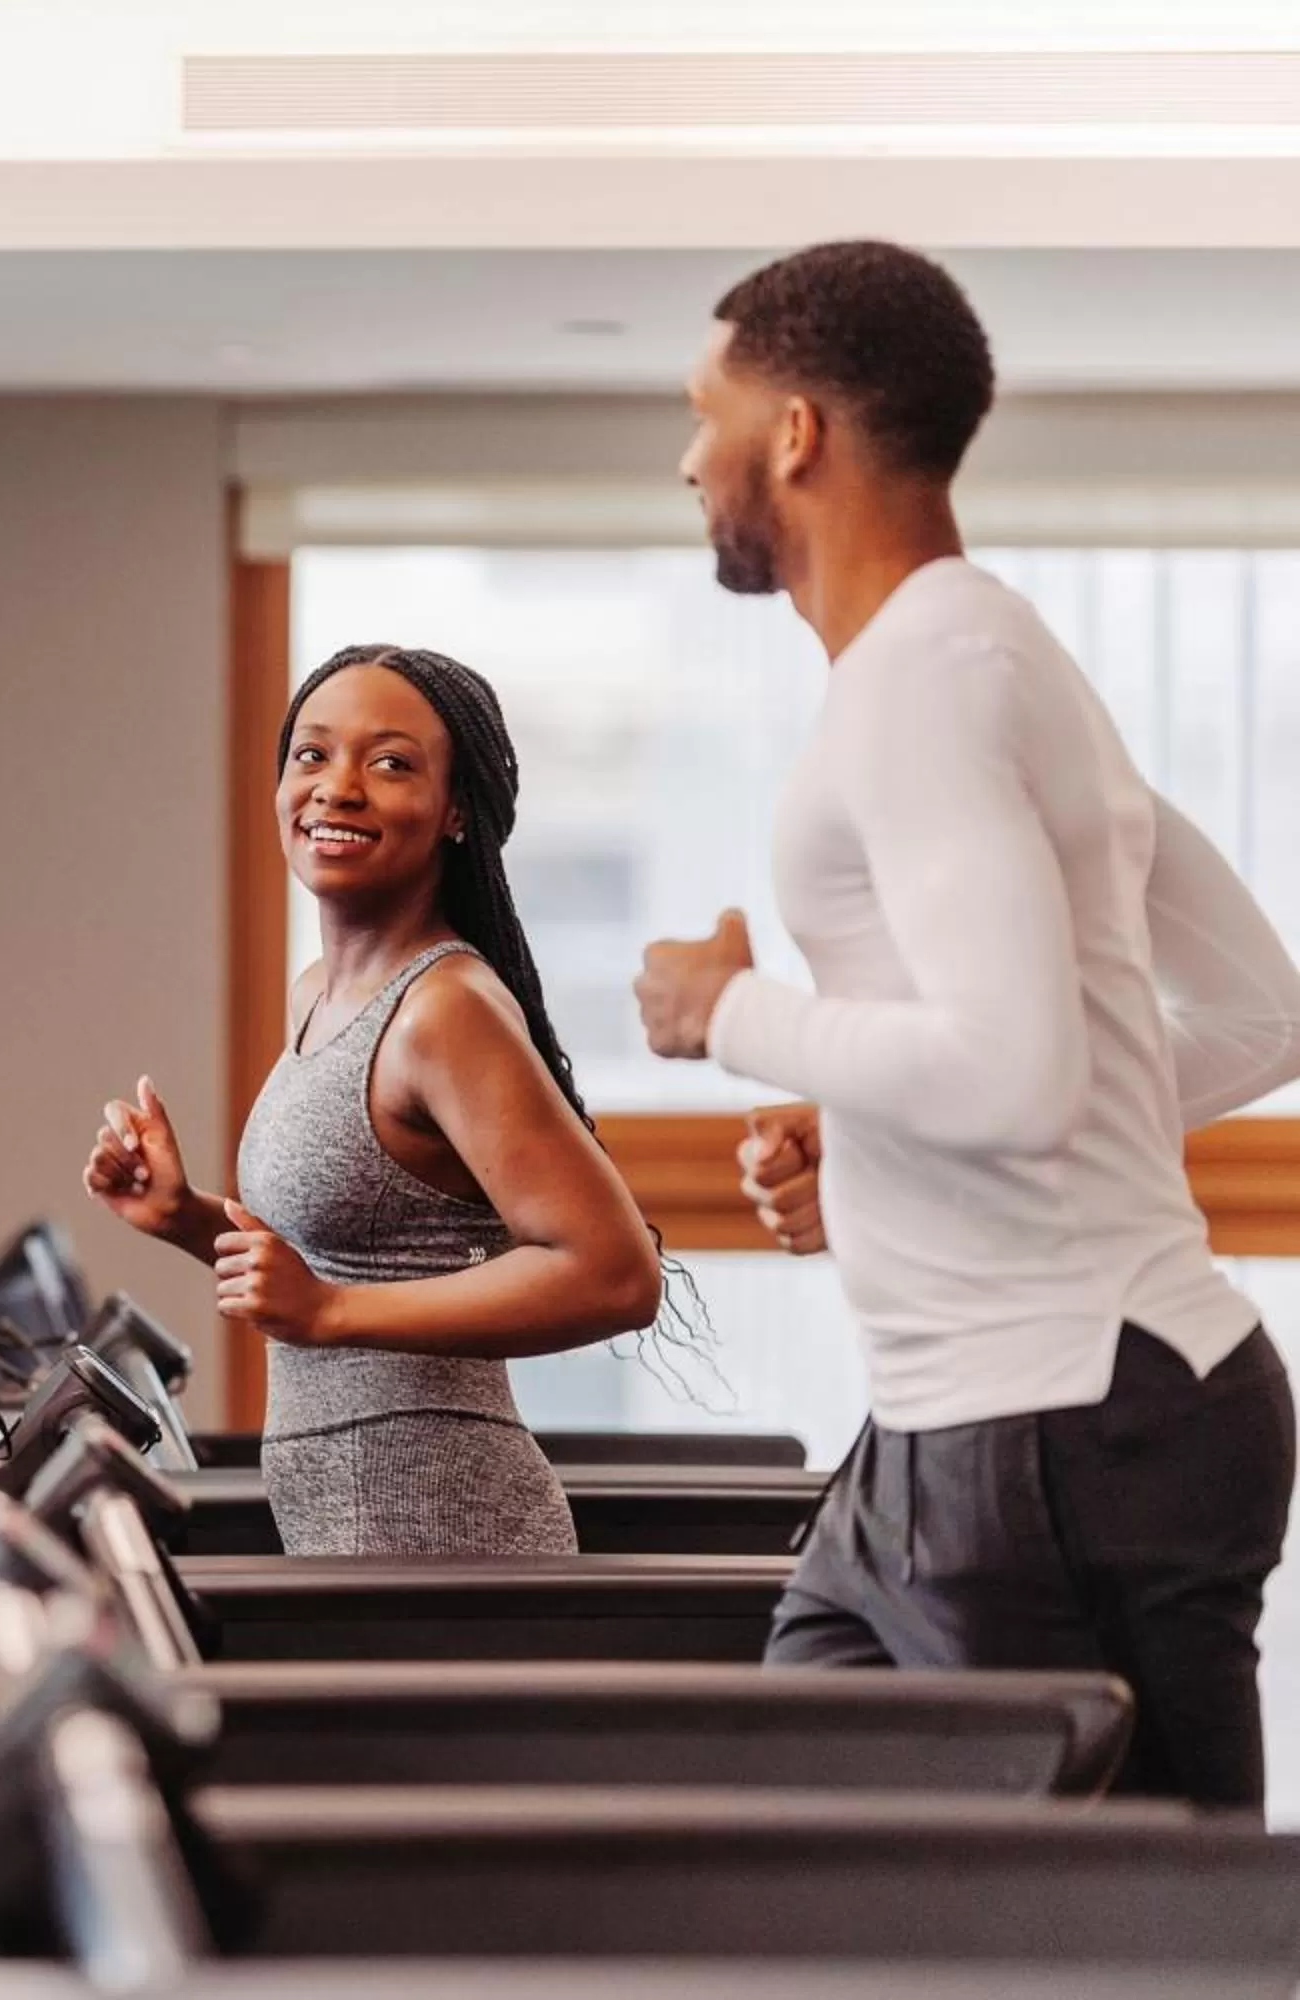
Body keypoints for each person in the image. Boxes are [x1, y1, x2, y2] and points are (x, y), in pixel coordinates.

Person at [635, 239, 1300, 1810]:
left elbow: (1013, 1070)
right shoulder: (993, 658)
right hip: (982, 1423)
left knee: (1106, 1941)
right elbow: (1262, 1016)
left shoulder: (931, 675)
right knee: (828, 1860)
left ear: (794, 432)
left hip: (1060, 1424)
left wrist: (730, 1013)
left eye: (702, 411)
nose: (687, 458)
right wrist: (868, 1116)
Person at [86, 644, 665, 1556]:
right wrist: (187, 1218)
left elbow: (615, 1272)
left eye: (390, 763)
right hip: (350, 1529)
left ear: (457, 812)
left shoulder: (446, 1010)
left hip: (443, 1533)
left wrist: (330, 1312)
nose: (337, 788)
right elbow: (343, 1257)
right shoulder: (320, 991)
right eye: (311, 755)